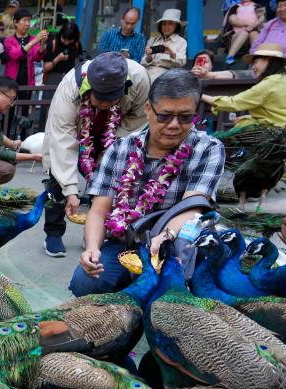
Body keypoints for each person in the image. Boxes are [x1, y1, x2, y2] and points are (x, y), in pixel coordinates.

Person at [72, 69, 224, 296]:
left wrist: (165, 238)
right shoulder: (120, 148)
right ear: (148, 111)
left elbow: (193, 206)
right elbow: (98, 210)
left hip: (176, 243)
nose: (174, 125)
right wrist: (92, 248)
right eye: (164, 115)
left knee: (169, 301)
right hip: (125, 241)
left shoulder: (208, 148)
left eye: (185, 117)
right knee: (86, 282)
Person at [41, 52, 149, 257]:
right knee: (58, 177)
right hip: (77, 128)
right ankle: (53, 234)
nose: (105, 105)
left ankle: (94, 235)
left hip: (115, 130)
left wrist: (112, 152)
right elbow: (62, 141)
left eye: (111, 100)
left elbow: (136, 121)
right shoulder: (70, 87)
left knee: (107, 179)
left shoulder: (139, 78)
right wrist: (71, 190)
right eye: (100, 100)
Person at [203, 43, 286, 134]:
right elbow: (280, 112)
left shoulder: (270, 83)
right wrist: (248, 117)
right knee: (246, 122)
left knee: (242, 126)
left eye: (255, 63)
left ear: (268, 59)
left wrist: (201, 95)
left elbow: (233, 103)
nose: (253, 68)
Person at [4, 9, 45, 87]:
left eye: (29, 21)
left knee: (26, 99)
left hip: (28, 80)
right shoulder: (9, 41)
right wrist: (34, 41)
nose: (27, 24)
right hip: (11, 81)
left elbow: (38, 58)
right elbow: (15, 55)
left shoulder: (33, 38)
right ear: (16, 22)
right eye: (24, 20)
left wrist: (42, 43)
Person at [142, 9, 187, 81]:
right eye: (164, 24)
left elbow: (182, 62)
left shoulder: (181, 41)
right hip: (148, 72)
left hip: (168, 75)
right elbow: (143, 62)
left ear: (176, 26)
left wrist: (171, 53)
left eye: (170, 24)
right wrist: (148, 58)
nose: (166, 27)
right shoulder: (152, 40)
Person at [224, 0, 264, 65]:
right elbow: (232, 20)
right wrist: (247, 24)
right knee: (244, 33)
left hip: (253, 31)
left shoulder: (257, 6)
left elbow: (261, 18)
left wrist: (254, 25)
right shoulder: (235, 7)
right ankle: (230, 56)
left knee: (254, 34)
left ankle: (258, 57)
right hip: (237, 35)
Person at [42, 20, 81, 85]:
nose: (66, 42)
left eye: (70, 40)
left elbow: (79, 61)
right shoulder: (53, 44)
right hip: (52, 80)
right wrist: (58, 59)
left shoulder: (76, 44)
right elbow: (44, 68)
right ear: (61, 34)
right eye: (64, 39)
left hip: (69, 80)